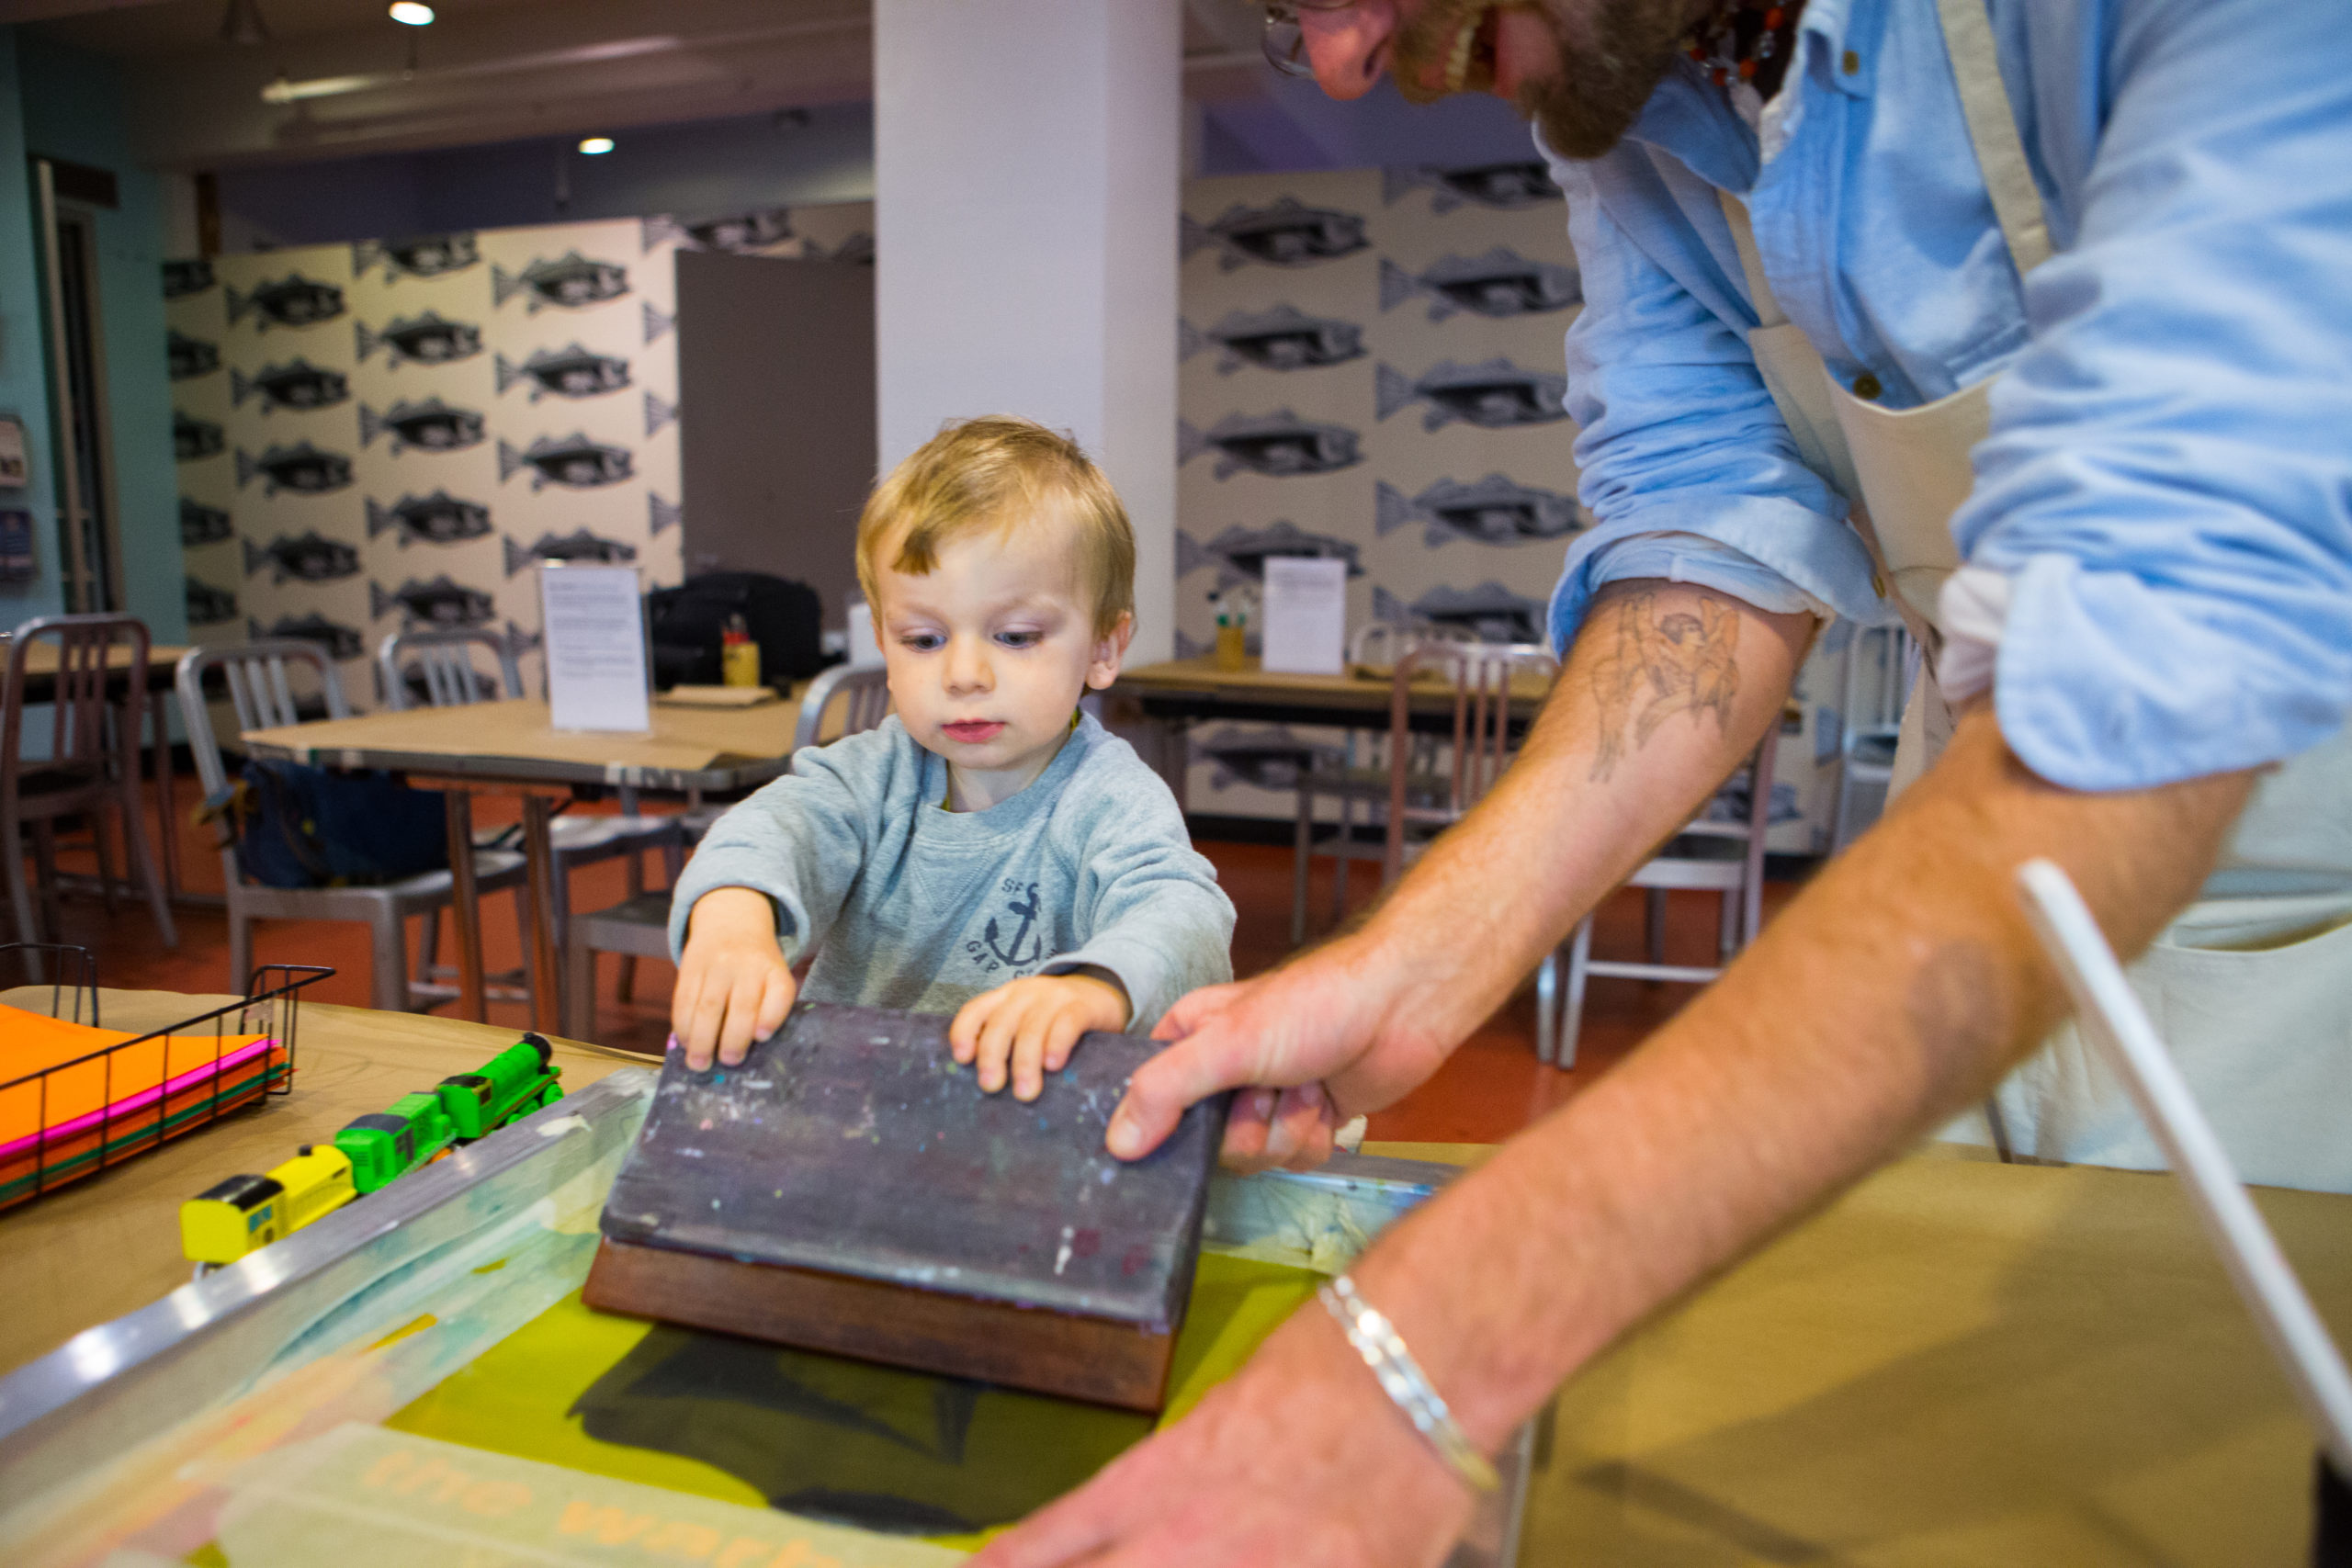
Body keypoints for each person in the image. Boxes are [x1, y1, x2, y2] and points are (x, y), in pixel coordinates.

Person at [975, 0, 2352, 1562]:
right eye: (1286, 22)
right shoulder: (1633, 93)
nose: (1349, 58)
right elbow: (1705, 551)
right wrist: (1412, 966)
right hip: (1966, 849)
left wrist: (1422, 1347)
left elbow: (2144, 688)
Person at [667, 416, 1236, 1097]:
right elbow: (776, 827)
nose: (965, 674)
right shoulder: (870, 776)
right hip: (850, 1109)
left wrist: (1094, 987)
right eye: (925, 639)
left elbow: (1185, 917)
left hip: (1022, 1130)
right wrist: (734, 917)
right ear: (882, 639)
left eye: (1016, 635)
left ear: (1104, 649)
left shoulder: (1109, 797)